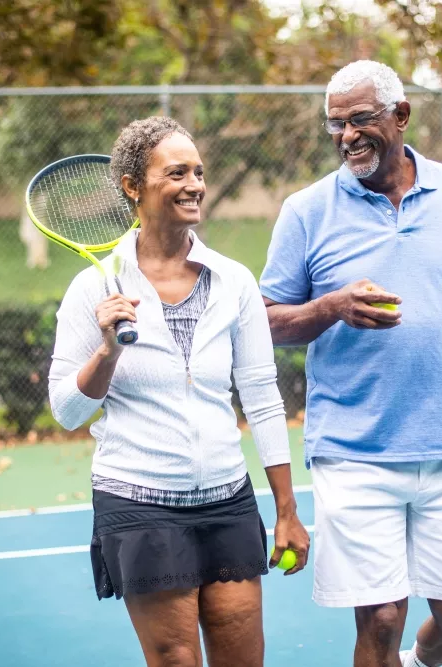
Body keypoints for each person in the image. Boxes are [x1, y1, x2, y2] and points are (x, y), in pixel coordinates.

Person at [260, 61, 442, 667]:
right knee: (383, 620)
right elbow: (264, 320)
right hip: (353, 449)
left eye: (360, 119)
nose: (347, 136)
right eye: (335, 124)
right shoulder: (306, 210)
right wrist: (333, 307)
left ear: (401, 115)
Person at [48, 116, 309, 667]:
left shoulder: (234, 279)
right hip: (138, 502)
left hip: (227, 499)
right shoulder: (93, 286)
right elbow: (67, 410)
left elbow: (262, 395)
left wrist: (286, 509)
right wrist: (108, 350)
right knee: (176, 661)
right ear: (132, 187)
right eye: (176, 173)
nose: (195, 184)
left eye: (198, 172)